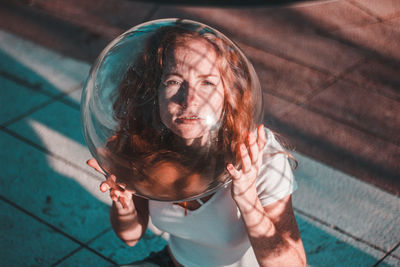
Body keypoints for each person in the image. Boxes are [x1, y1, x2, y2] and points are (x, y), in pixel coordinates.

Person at [87, 21, 306, 267]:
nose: (189, 100)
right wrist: (124, 206)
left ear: (228, 94)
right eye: (173, 81)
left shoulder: (259, 157)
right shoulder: (144, 142)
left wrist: (247, 199)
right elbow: (130, 237)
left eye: (207, 83)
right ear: (153, 91)